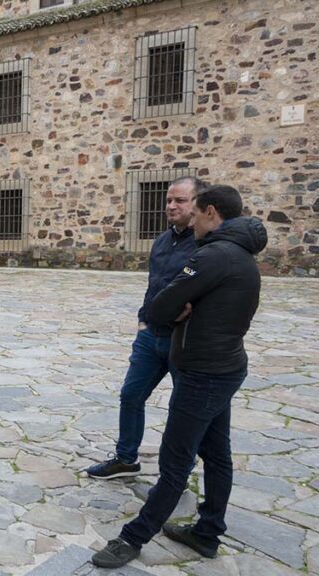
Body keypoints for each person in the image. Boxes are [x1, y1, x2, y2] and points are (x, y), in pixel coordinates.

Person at [93, 185, 268, 568]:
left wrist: (175, 307)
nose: (191, 220)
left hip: (203, 372)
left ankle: (132, 538)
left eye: (195, 212)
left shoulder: (213, 255)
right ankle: (207, 532)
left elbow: (159, 307)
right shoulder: (240, 254)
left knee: (175, 461)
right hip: (226, 366)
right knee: (217, 454)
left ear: (210, 212)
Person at [85, 177, 202, 479]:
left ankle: (178, 474)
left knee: (182, 410)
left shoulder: (206, 244)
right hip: (151, 335)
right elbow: (154, 284)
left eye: (180, 200)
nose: (171, 206)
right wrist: (143, 320)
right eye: (169, 200)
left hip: (183, 340)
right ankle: (126, 459)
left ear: (198, 204)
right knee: (131, 395)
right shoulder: (162, 240)